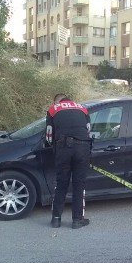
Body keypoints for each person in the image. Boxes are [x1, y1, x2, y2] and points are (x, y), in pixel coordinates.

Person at [46, 93, 92, 229]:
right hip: (82, 148)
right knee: (79, 185)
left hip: (63, 147)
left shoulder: (53, 109)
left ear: (57, 101)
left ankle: (56, 219)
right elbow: (88, 131)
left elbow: (49, 136)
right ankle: (77, 220)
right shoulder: (83, 108)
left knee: (61, 184)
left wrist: (54, 146)